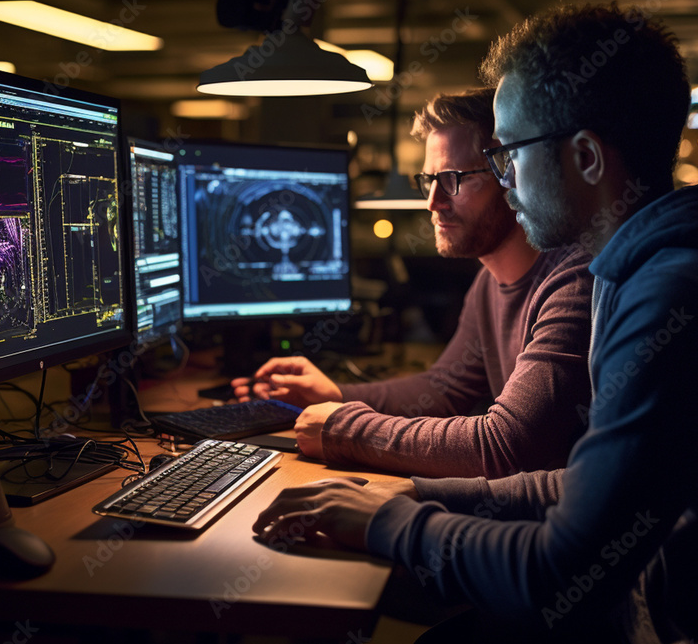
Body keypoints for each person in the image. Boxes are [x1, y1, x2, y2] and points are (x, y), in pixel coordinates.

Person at [252, 2, 698, 643]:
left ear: (588, 158)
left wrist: (386, 525)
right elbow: (589, 485)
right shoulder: (654, 267)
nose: (503, 178)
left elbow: (564, 571)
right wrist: (416, 498)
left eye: (508, 152)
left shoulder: (673, 295)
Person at [233, 88, 594, 478]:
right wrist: (335, 394)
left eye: (453, 178)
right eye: (429, 180)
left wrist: (345, 429)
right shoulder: (489, 283)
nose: (433, 201)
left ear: (510, 172)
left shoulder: (574, 280)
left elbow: (507, 445)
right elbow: (445, 387)